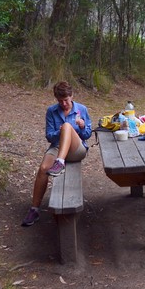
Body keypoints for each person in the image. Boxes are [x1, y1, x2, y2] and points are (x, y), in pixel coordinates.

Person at [21, 80, 92, 227]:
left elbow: (87, 135)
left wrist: (82, 126)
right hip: (57, 147)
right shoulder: (51, 111)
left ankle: (59, 162)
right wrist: (59, 132)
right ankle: (34, 209)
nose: (64, 104)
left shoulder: (82, 109)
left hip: (76, 149)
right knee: (43, 169)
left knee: (67, 126)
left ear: (72, 96)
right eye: (60, 101)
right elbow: (49, 137)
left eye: (66, 100)